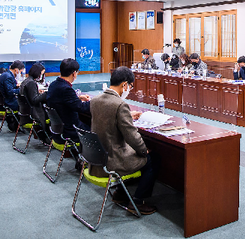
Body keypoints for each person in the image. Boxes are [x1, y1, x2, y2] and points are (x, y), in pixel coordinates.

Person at [89, 66, 160, 215]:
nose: (130, 90)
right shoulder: (120, 105)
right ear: (124, 85)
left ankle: (119, 193)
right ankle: (138, 202)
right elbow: (132, 136)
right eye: (131, 86)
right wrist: (143, 150)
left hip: (96, 160)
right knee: (149, 159)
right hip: (113, 160)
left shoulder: (95, 100)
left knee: (136, 155)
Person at [46, 58, 91, 140]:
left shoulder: (53, 84)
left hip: (58, 129)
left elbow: (63, 100)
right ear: (74, 73)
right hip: (71, 130)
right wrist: (96, 101)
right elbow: (81, 107)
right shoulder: (66, 89)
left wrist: (78, 98)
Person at [19, 62, 50, 143]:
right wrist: (45, 94)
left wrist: (37, 92)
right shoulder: (32, 83)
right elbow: (34, 100)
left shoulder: (27, 81)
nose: (42, 76)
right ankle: (47, 136)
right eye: (42, 74)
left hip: (25, 112)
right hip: (33, 112)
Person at [0, 60, 25, 131]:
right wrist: (22, 90)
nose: (20, 74)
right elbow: (10, 92)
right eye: (20, 72)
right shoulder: (8, 77)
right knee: (27, 103)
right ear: (16, 70)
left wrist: (16, 86)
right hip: (8, 101)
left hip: (4, 99)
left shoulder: (6, 74)